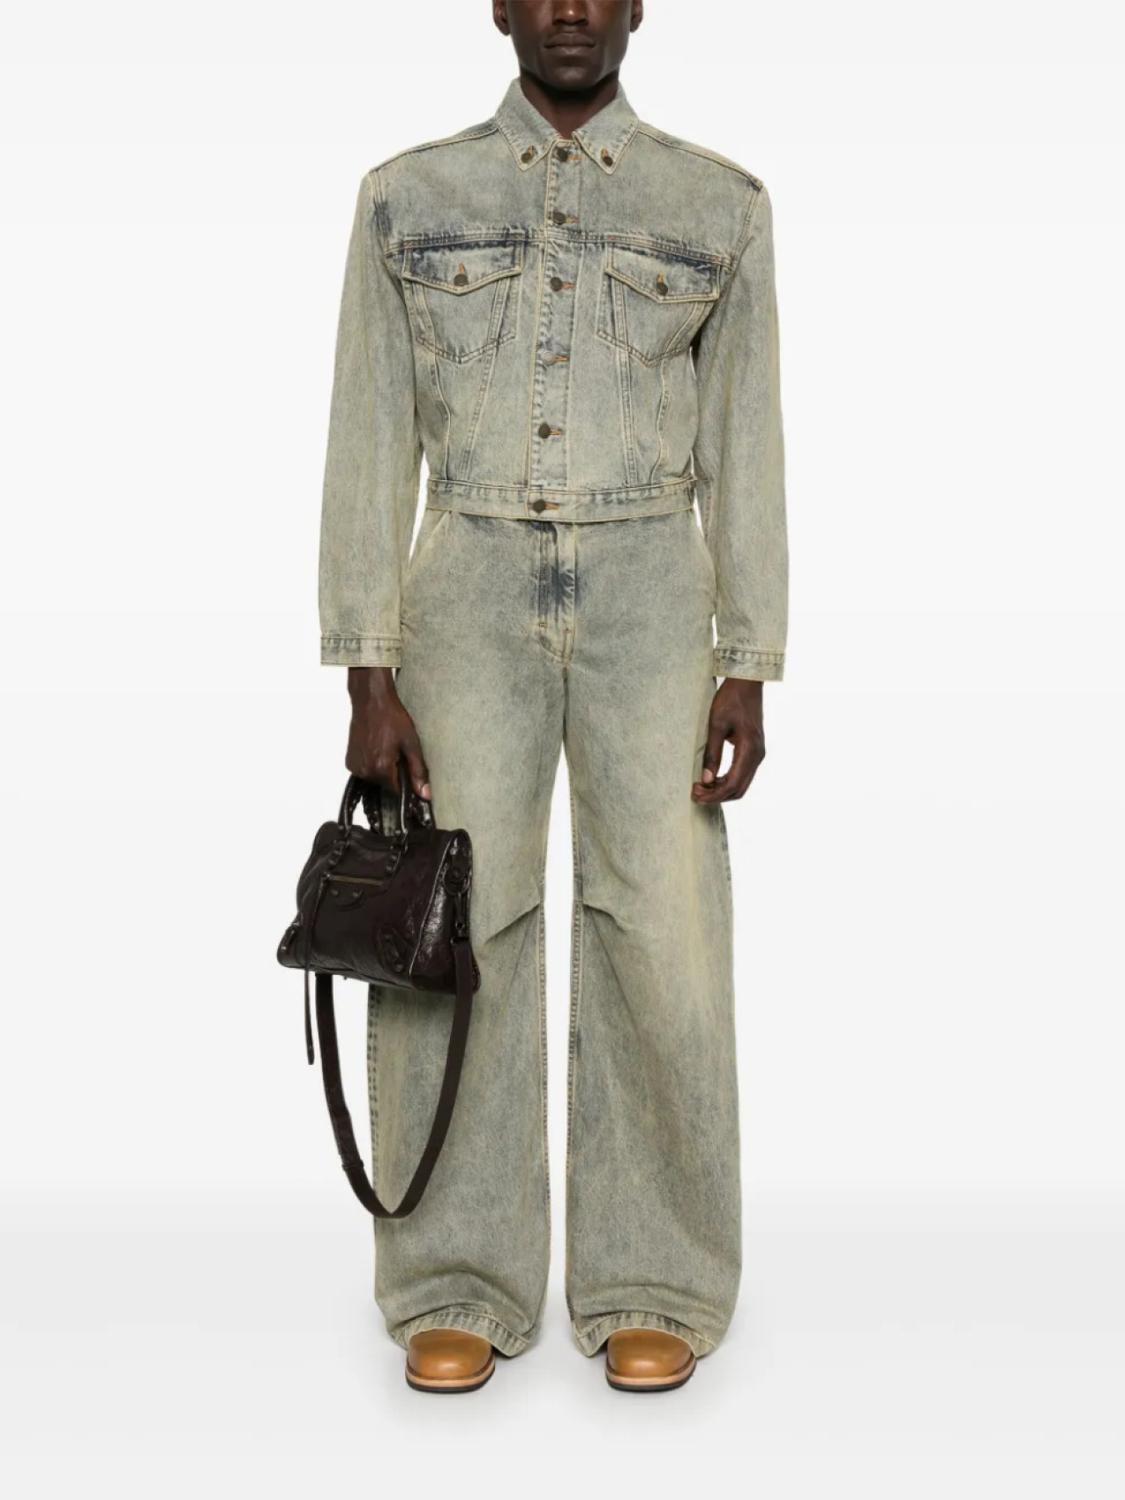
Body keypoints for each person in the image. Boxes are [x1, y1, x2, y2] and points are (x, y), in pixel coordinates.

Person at [317, 0, 787, 1393]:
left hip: (654, 588)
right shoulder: (407, 197)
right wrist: (368, 668)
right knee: (453, 925)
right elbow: (367, 435)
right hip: (463, 577)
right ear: (501, 6)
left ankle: (656, 1278)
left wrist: (748, 659)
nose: (572, 9)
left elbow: (748, 440)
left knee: (663, 936)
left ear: (637, 6)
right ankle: (454, 1281)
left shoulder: (719, 204)